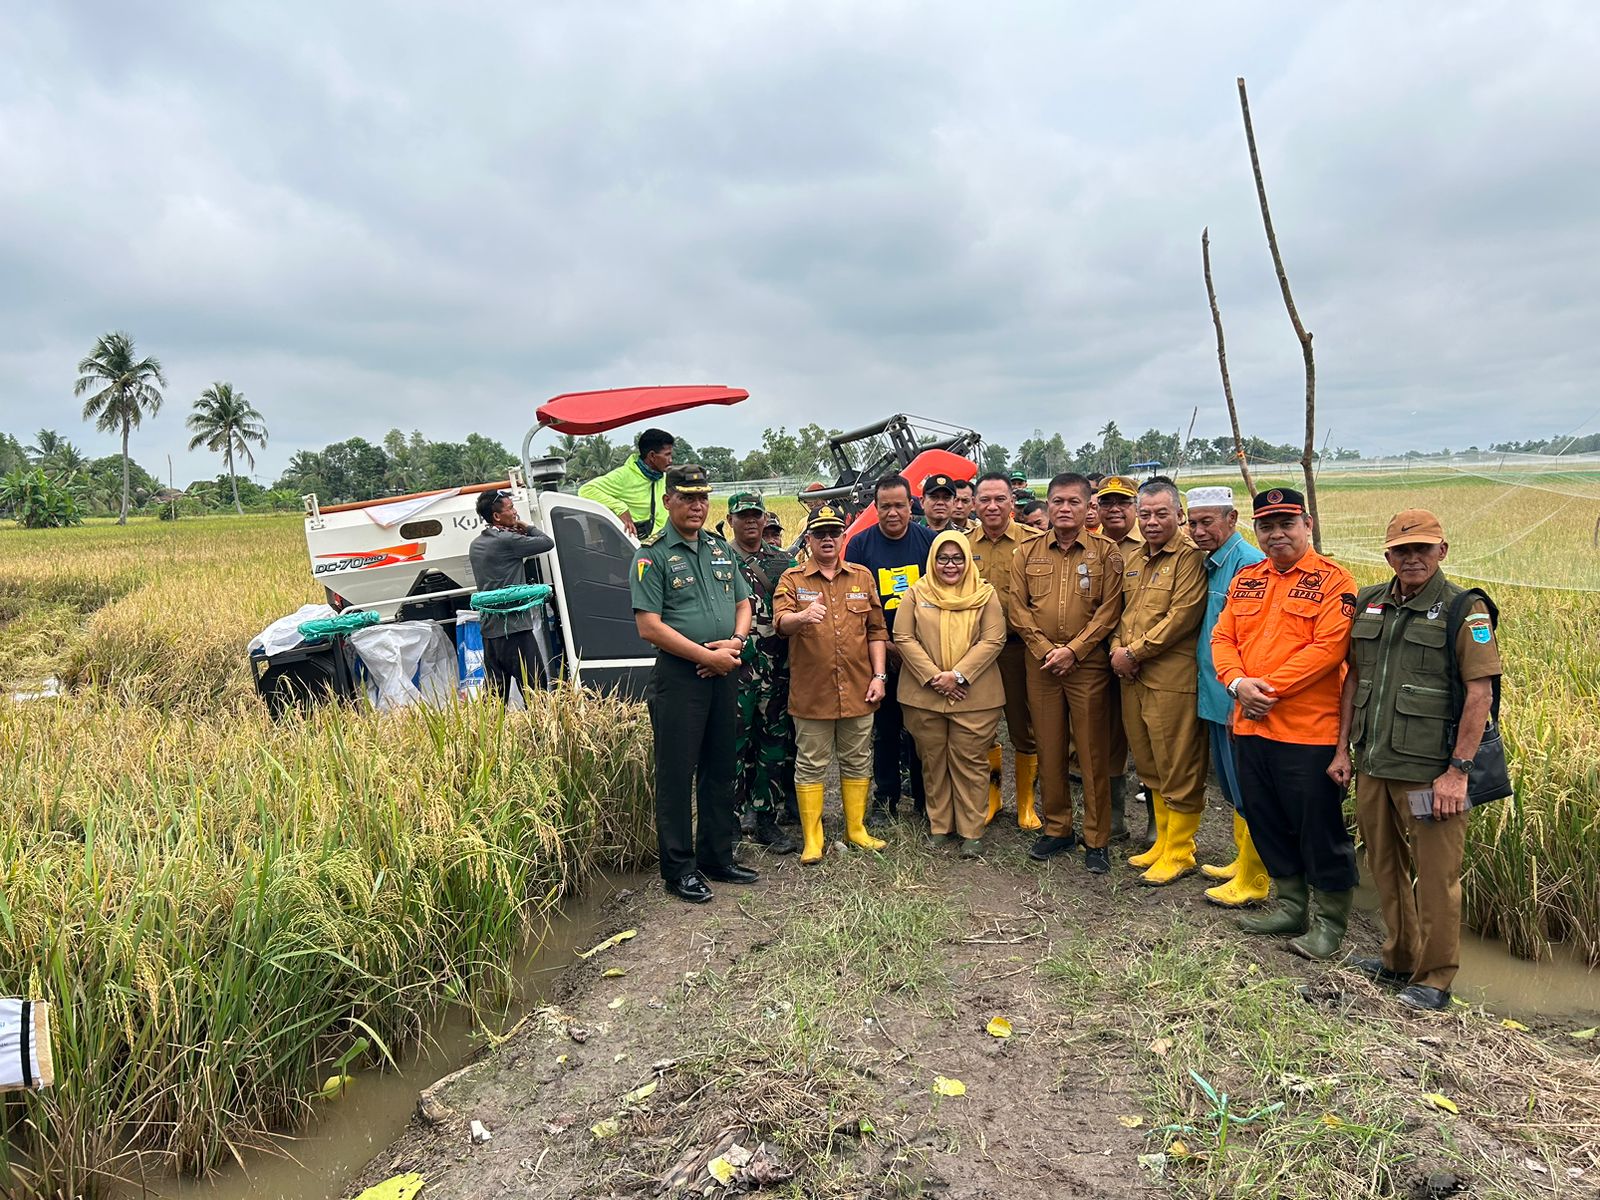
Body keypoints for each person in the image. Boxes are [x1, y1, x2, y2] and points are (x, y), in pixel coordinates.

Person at [1329, 510, 1503, 1011]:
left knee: (1436, 875)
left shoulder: (1463, 610)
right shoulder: (1369, 603)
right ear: (1387, 556)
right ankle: (1399, 958)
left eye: (1422, 548)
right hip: (1375, 764)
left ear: (1441, 551)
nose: (1412, 558)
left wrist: (1457, 774)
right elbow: (1355, 681)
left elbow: (1479, 696)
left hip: (1431, 775)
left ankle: (1435, 977)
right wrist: (1343, 751)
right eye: (1402, 550)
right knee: (1384, 866)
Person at [1212, 487, 1357, 959]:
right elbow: (1223, 635)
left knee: (1318, 827)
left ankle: (1331, 922)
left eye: (1286, 524)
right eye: (1267, 525)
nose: (1276, 534)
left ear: (1307, 525)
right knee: (1264, 817)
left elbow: (1328, 650)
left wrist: (1264, 689)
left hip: (1307, 731)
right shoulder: (1247, 578)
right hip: (1250, 726)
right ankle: (1291, 905)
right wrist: (1236, 684)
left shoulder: (1335, 581)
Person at [630, 464, 758, 905]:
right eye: (687, 497)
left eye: (703, 497)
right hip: (681, 678)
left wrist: (736, 643)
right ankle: (679, 869)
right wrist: (708, 657)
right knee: (676, 773)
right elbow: (649, 626)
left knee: (721, 767)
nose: (697, 505)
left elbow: (744, 603)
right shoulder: (652, 556)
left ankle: (717, 856)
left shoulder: (719, 549)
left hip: (724, 672)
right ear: (668, 501)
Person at [1006, 473, 1125, 872]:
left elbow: (1110, 610)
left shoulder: (1105, 553)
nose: (1064, 509)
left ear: (1088, 506)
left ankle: (1097, 837)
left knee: (1091, 752)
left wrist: (1073, 650)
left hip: (1087, 664)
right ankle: (1057, 828)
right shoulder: (1026, 552)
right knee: (1049, 746)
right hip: (1040, 664)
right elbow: (1017, 607)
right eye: (1057, 501)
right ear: (1048, 504)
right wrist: (1046, 649)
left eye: (1074, 502)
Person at [774, 505, 890, 863]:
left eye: (834, 532)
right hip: (813, 692)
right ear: (808, 540)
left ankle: (856, 828)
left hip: (858, 687)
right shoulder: (793, 580)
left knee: (858, 759)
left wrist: (880, 676)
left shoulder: (862, 577)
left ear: (843, 538)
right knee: (811, 763)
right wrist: (802, 617)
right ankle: (813, 837)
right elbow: (780, 623)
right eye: (820, 533)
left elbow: (876, 630)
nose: (827, 538)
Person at [1112, 479, 1208, 885]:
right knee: (1149, 761)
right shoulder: (1134, 557)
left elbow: (1181, 618)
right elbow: (1123, 610)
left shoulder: (1188, 556)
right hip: (1131, 676)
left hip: (1169, 678)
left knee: (1177, 763)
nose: (1152, 522)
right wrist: (1118, 648)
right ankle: (1162, 841)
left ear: (1178, 514)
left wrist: (1132, 653)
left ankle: (1181, 850)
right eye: (1146, 514)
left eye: (1161, 513)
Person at [895, 534, 1008, 857]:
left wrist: (957, 675)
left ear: (968, 560)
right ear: (932, 560)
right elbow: (903, 636)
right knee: (933, 760)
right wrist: (934, 677)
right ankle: (940, 825)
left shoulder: (985, 594)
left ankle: (972, 830)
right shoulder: (917, 593)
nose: (950, 565)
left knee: (970, 761)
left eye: (958, 558)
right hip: (923, 694)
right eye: (943, 558)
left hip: (974, 696)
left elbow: (993, 640)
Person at [1185, 486, 1269, 907]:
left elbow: (1250, 640)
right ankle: (1243, 859)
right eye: (1192, 522)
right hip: (1215, 695)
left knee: (1247, 785)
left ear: (1232, 519)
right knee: (1233, 787)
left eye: (1207, 522)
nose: (1198, 531)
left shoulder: (1249, 565)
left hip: (1237, 696)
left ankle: (1256, 875)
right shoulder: (1212, 563)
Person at [845, 475, 937, 820]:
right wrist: (887, 647)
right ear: (876, 507)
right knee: (883, 730)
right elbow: (859, 607)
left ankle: (926, 800)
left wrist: (913, 650)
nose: (893, 513)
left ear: (911, 505)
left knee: (921, 730)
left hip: (923, 656)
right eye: (885, 506)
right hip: (879, 653)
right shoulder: (860, 545)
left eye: (900, 505)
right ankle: (885, 799)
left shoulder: (929, 542)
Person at [967, 472, 1044, 829]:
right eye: (985, 500)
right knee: (983, 728)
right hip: (978, 650)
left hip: (1018, 649)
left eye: (1000, 499)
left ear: (1012, 502)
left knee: (1022, 726)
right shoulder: (965, 545)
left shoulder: (1034, 542)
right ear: (974, 504)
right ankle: (992, 800)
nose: (993, 506)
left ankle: (1026, 805)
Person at [725, 492, 799, 856]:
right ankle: (733, 825)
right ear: (730, 521)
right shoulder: (718, 560)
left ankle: (766, 818)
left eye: (755, 515)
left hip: (776, 671)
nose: (751, 522)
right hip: (735, 671)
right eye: (743, 516)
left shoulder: (784, 562)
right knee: (734, 748)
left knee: (773, 746)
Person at [1093, 474, 1144, 842]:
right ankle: (1114, 820)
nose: (1114, 510)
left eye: (1122, 503)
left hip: (1145, 659)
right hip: (1099, 658)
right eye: (1107, 503)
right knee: (1106, 738)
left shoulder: (1152, 545)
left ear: (1135, 508)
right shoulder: (1090, 546)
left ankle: (1162, 827)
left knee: (1149, 741)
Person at [468, 489, 555, 700]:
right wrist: (527, 526)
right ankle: (541, 733)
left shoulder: (476, 544)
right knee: (536, 693)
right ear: (497, 516)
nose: (515, 512)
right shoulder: (506, 541)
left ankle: (493, 734)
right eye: (510, 508)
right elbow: (547, 542)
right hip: (515, 630)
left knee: (496, 699)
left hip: (490, 632)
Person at [578, 428, 675, 539]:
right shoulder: (624, 475)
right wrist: (620, 508)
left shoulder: (663, 477)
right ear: (652, 456)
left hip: (665, 543)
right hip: (641, 548)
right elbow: (585, 490)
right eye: (667, 455)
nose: (670, 460)